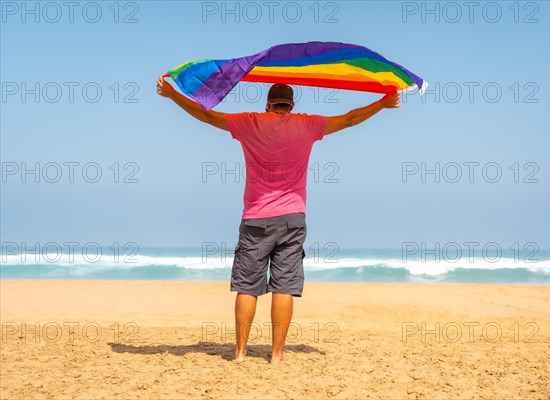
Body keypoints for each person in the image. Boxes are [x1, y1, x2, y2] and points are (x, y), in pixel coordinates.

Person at [156, 76, 399, 363]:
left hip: (256, 218)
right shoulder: (308, 124)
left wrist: (173, 94)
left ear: (268, 104)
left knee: (248, 286)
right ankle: (277, 354)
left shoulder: (250, 122)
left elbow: (205, 115)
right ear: (291, 105)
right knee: (284, 286)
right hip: (292, 218)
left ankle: (240, 353)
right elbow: (349, 119)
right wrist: (382, 104)